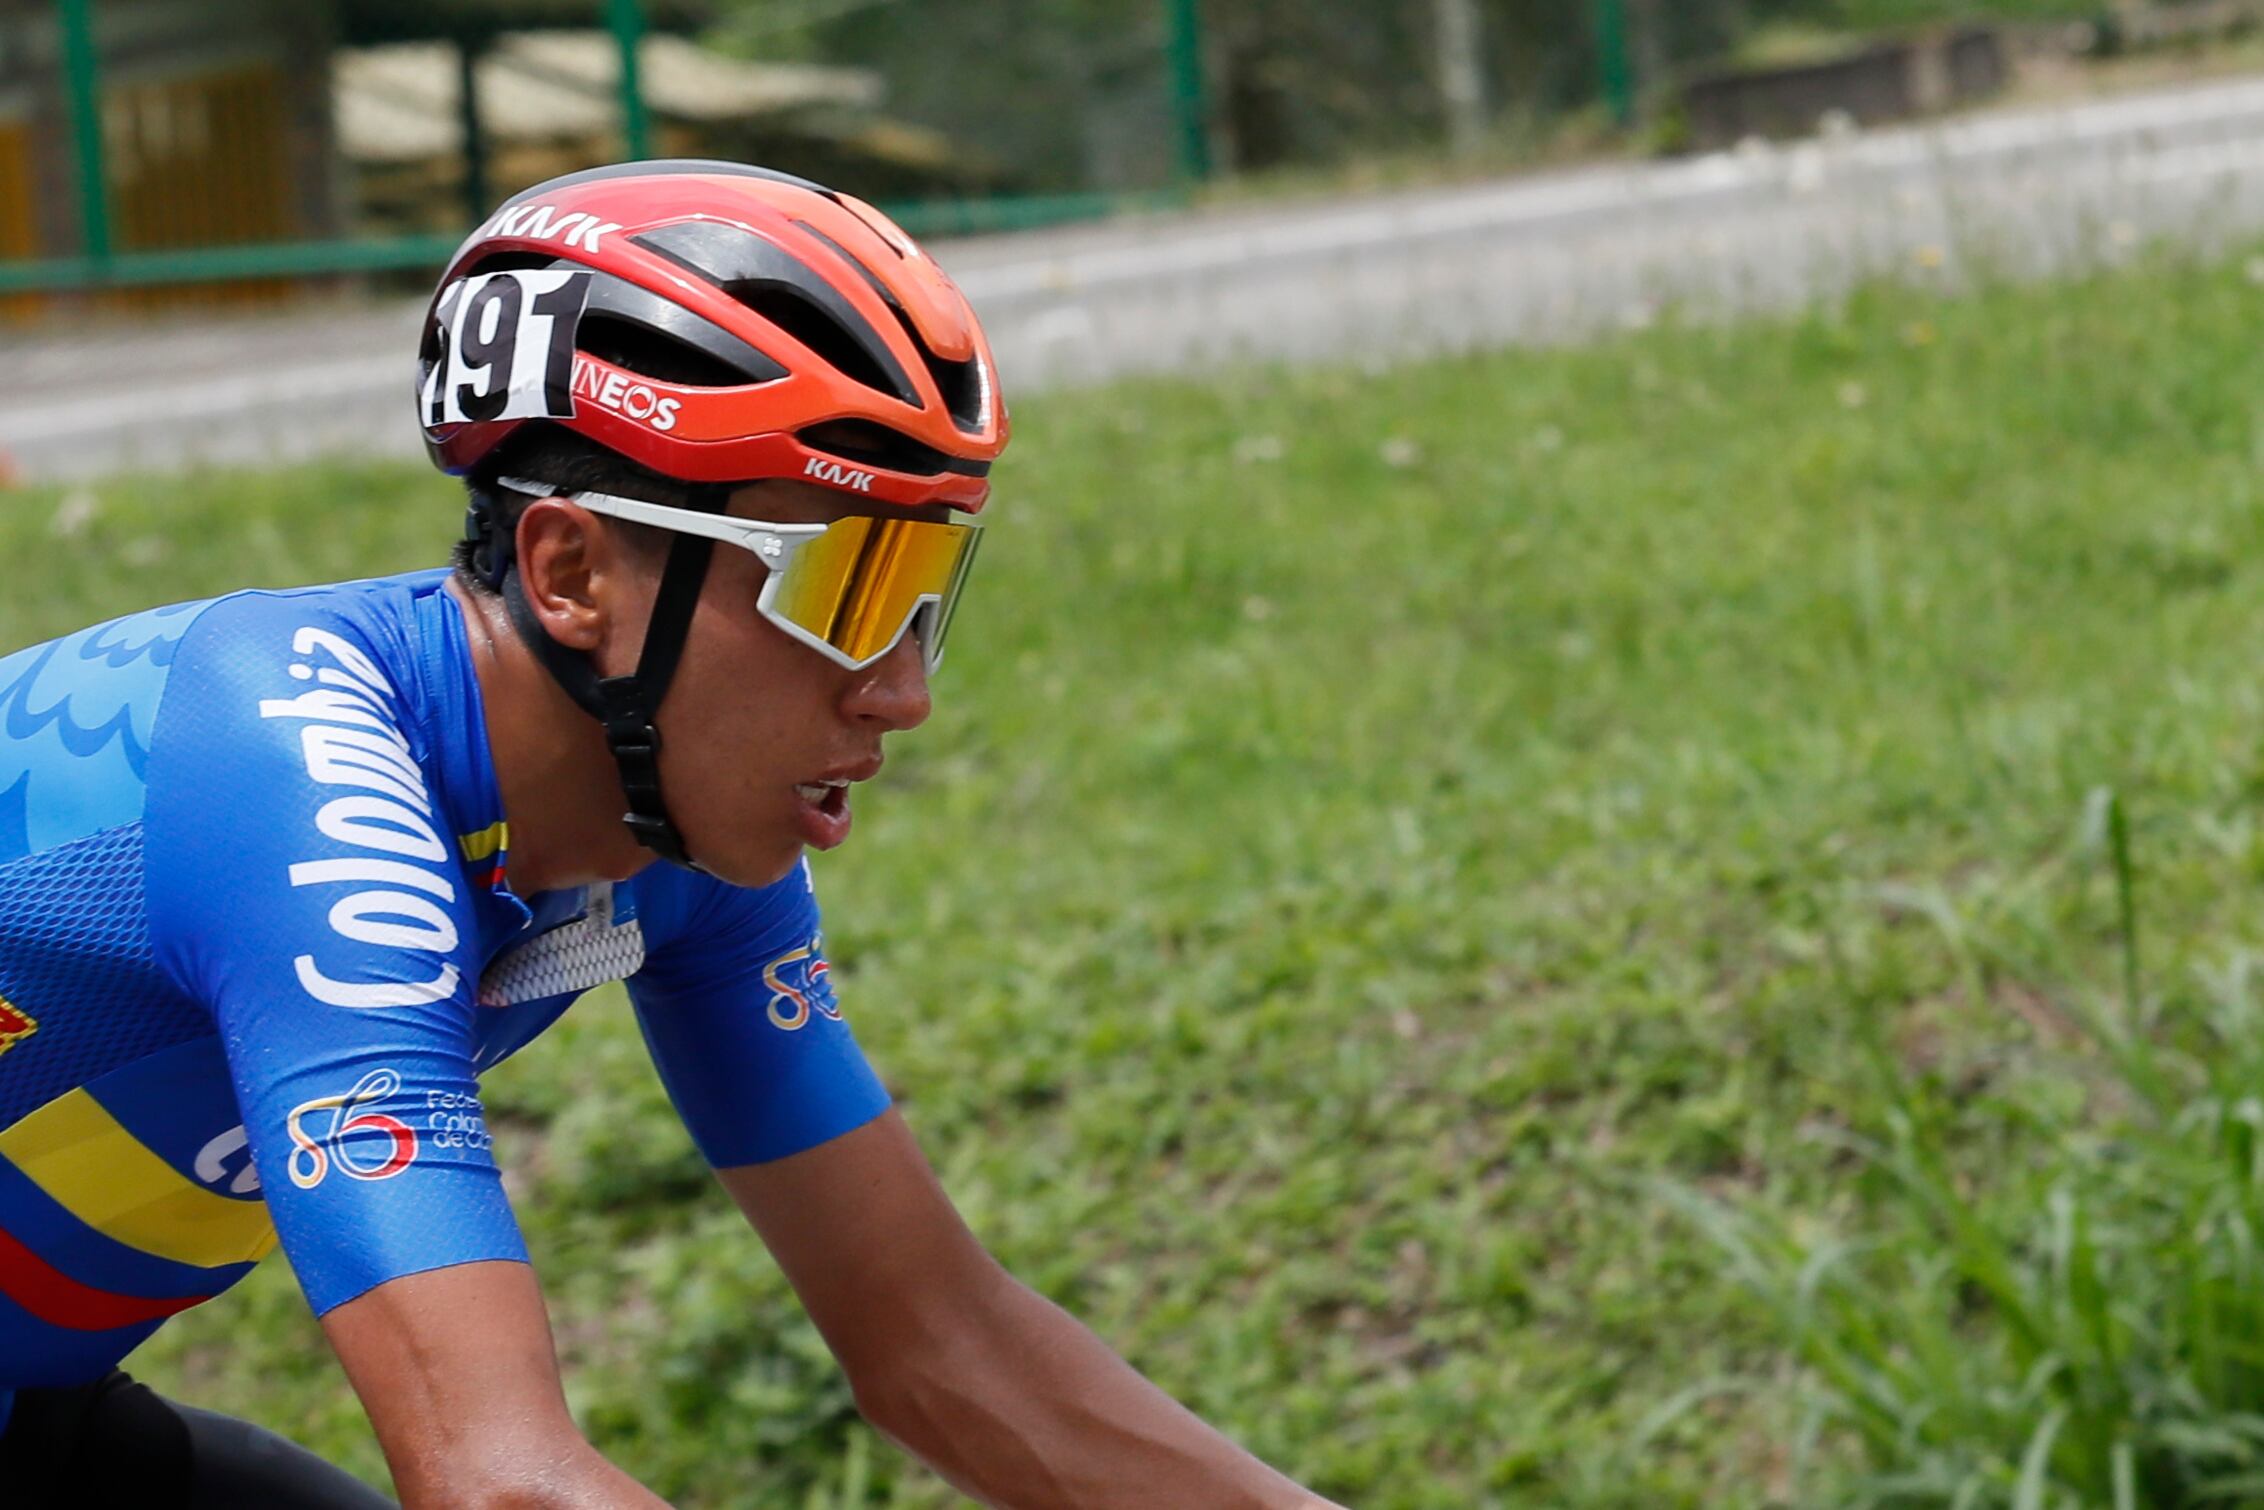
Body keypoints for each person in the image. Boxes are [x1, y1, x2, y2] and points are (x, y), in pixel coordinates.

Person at [0, 162, 1341, 1508]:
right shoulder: (289, 765)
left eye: (927, 590)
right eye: (844, 588)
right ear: (573, 572)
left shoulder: (674, 838)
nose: (905, 688)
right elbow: (494, 1476)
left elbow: (949, 1348)